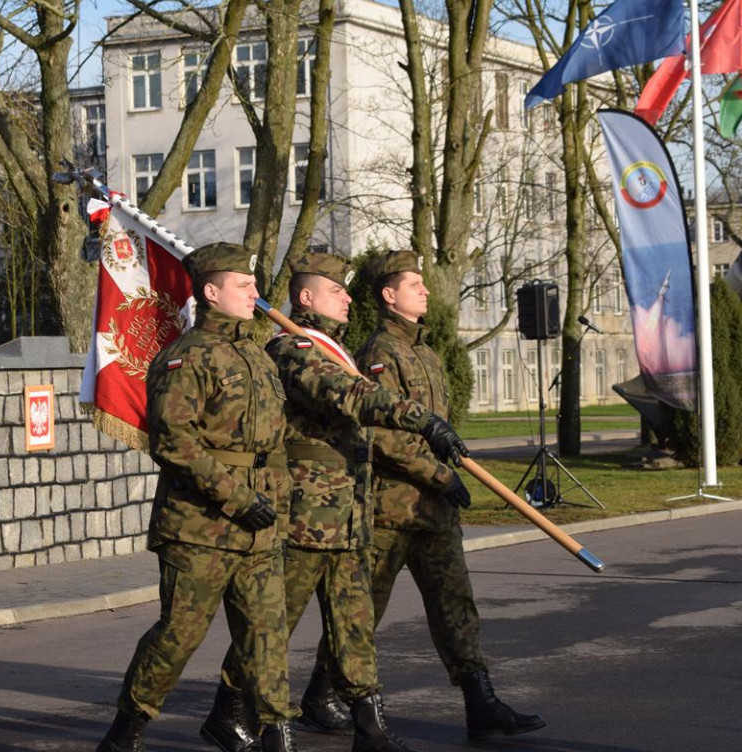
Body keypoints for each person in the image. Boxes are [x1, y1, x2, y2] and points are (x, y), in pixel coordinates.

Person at [203, 252, 468, 752]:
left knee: (355, 623)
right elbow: (346, 394)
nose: (348, 298)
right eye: (336, 291)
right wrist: (418, 418)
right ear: (307, 298)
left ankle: (370, 727)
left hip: (347, 516)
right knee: (273, 625)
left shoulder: (331, 348)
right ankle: (229, 709)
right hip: (305, 518)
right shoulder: (291, 349)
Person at [303, 250, 544, 741]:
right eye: (415, 284)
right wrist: (438, 475)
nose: (426, 290)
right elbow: (383, 434)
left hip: (433, 513)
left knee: (456, 605)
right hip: (390, 511)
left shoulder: (428, 354)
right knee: (362, 612)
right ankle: (322, 692)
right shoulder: (377, 353)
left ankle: (481, 703)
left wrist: (442, 474)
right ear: (389, 295)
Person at [96, 242, 296, 752]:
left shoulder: (256, 352)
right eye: (243, 284)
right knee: (179, 635)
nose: (255, 292)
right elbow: (174, 442)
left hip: (259, 525)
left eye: (253, 283)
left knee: (266, 635)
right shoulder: (186, 357)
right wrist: (236, 496)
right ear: (211, 292)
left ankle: (277, 732)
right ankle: (126, 731)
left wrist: (279, 502)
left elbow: (271, 443)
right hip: (199, 526)